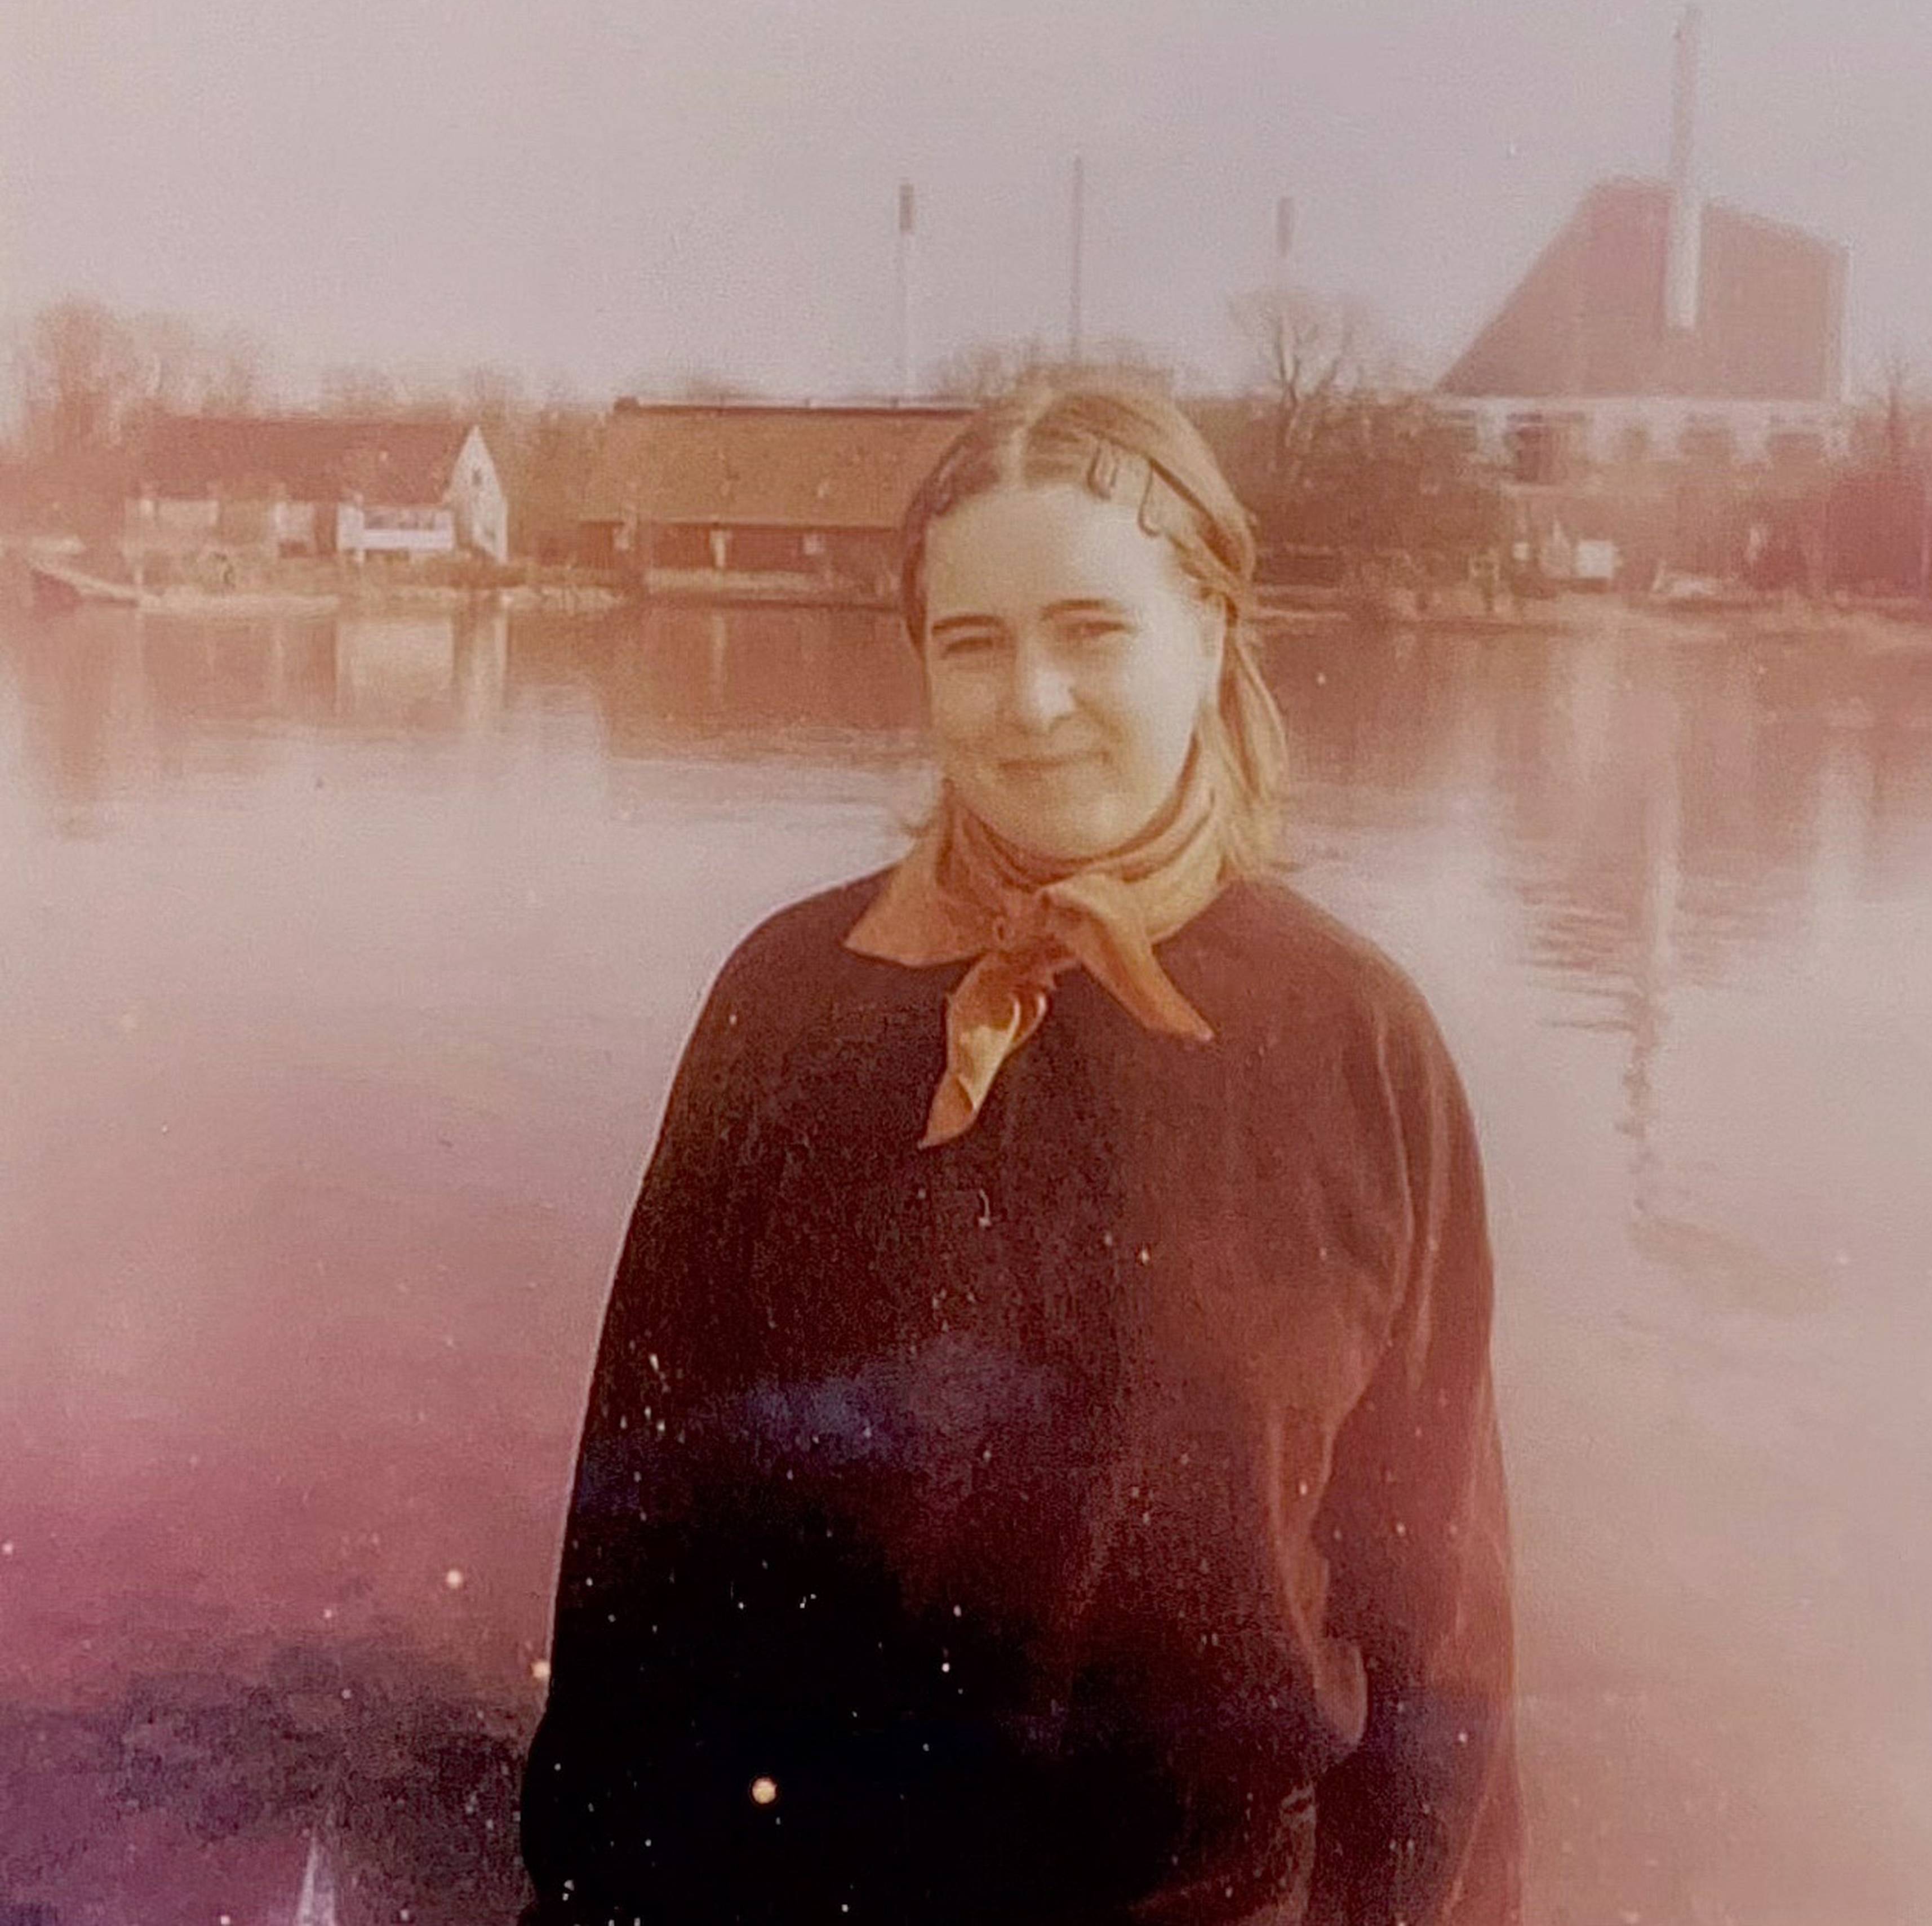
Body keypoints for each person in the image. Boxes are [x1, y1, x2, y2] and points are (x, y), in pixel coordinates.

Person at [518, 381, 1521, 1925]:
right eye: (971, 643)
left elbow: (1436, 1620)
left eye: (1091, 629)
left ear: (1211, 628)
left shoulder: (1359, 1038)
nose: (1030, 701)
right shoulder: (787, 1003)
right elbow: (640, 1541)